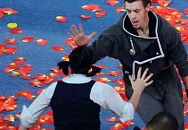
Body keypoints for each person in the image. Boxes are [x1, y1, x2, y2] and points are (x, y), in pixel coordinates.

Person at [69, 0, 188, 129]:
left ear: (148, 8)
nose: (132, 16)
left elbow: (182, 62)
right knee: (159, 125)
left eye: (136, 11)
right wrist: (82, 49)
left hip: (167, 78)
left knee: (176, 124)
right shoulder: (115, 35)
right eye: (128, 11)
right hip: (139, 85)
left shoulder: (167, 32)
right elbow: (89, 56)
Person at [18, 45, 153, 130]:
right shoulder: (100, 89)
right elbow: (126, 113)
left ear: (69, 67)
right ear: (90, 68)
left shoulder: (53, 89)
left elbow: (27, 121)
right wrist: (138, 90)